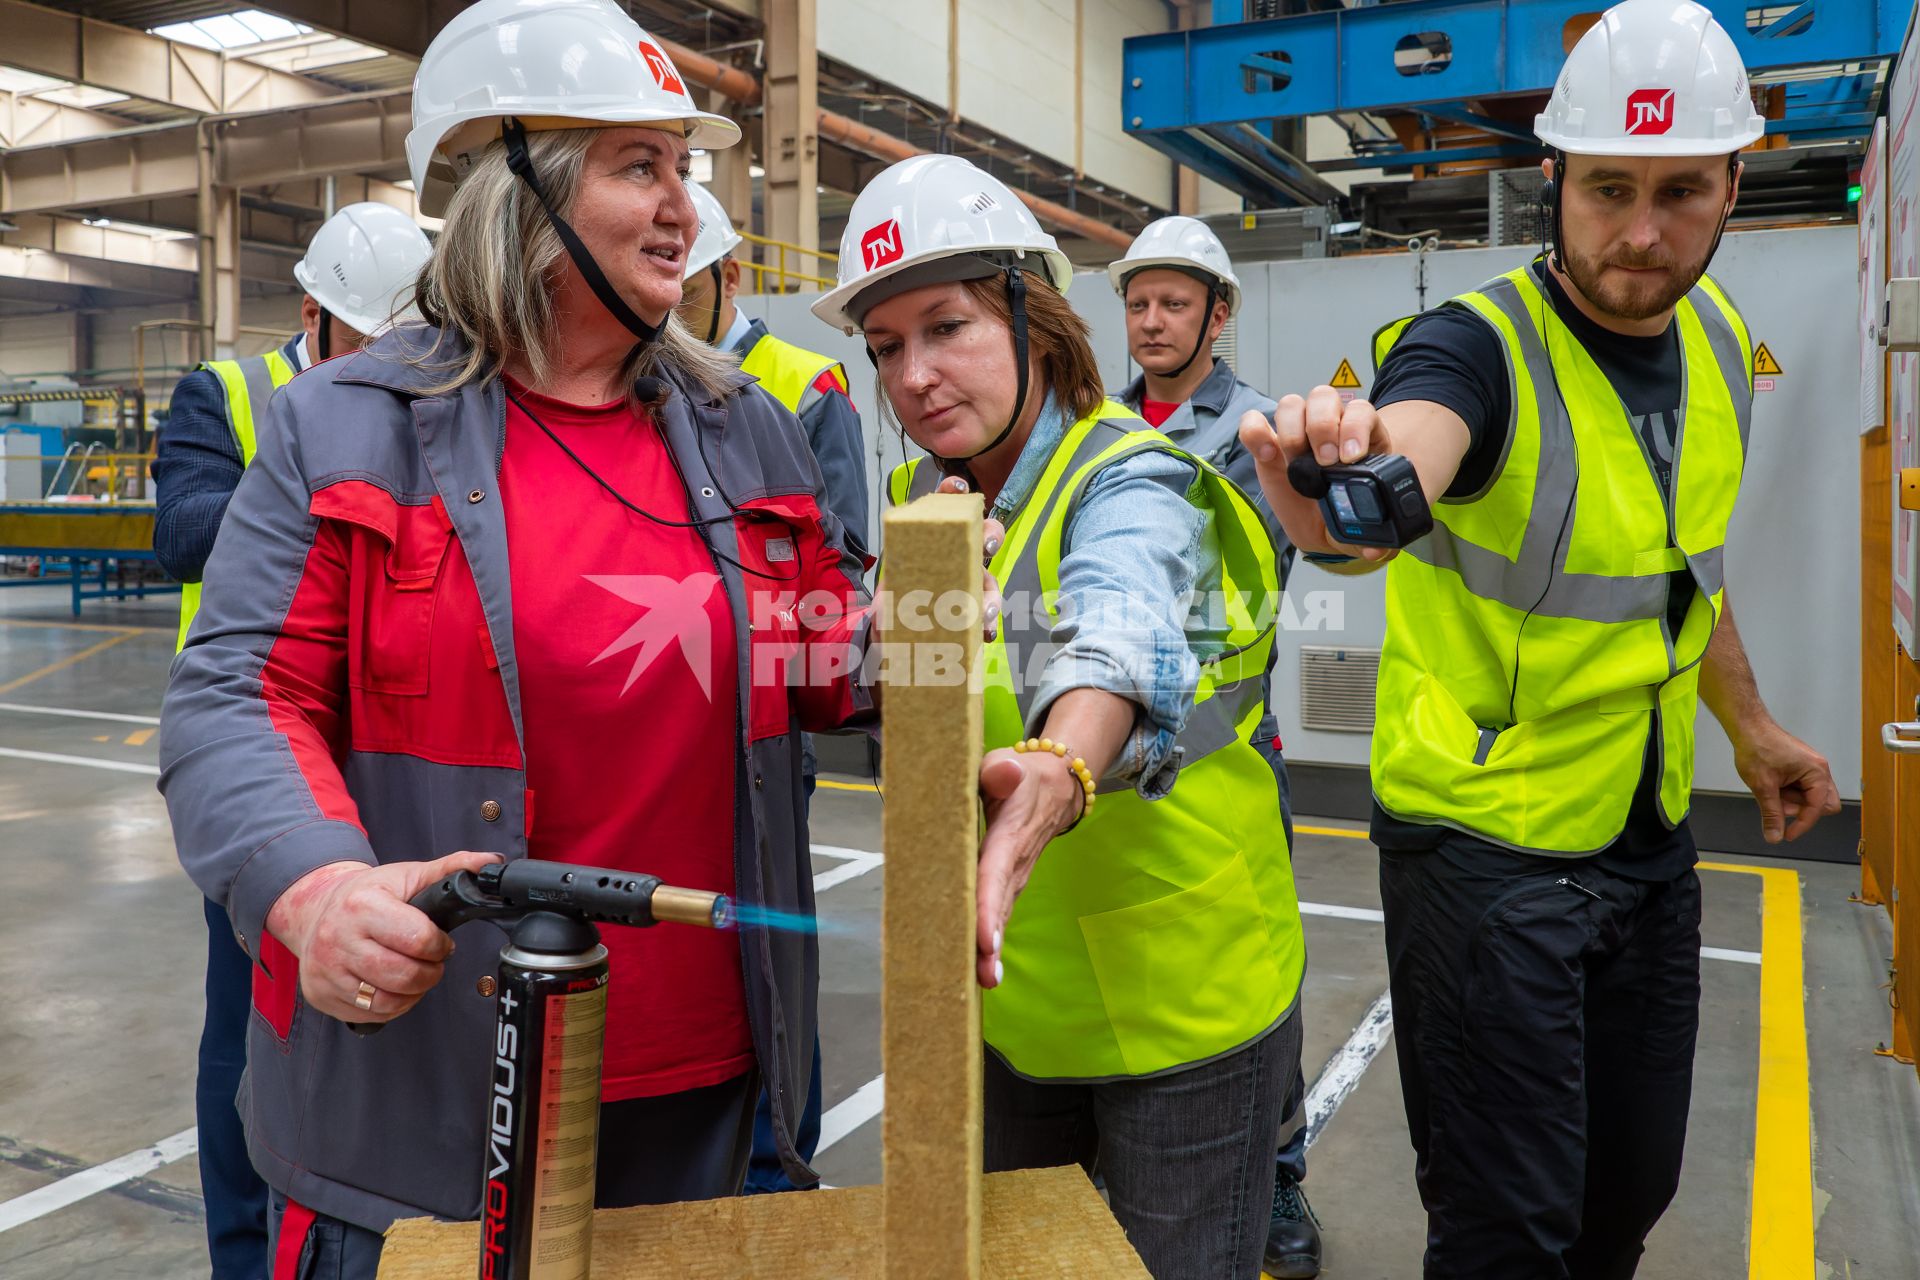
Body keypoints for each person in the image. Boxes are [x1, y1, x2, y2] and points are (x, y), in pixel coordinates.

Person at [157, 3, 895, 1273]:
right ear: (514, 190)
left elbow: (827, 663)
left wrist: (976, 654)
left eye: (685, 167)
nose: (684, 207)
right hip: (431, 1080)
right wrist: (312, 886)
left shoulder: (745, 428)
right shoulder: (339, 429)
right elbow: (236, 692)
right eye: (639, 167)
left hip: (707, 1087)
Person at [1237, 2, 1842, 1275]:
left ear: (1737, 180)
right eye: (1608, 187)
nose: (1639, 232)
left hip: (1643, 840)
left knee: (1628, 1195)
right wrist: (1346, 491)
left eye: (1682, 192)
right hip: (1486, 859)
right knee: (1509, 1232)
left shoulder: (1722, 345)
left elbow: (1684, 570)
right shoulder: (1476, 347)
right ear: (1552, 176)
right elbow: (1405, 454)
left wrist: (1754, 725)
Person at [815, 153, 1308, 1279]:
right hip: (1007, 1000)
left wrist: (1059, 767)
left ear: (1034, 318)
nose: (917, 375)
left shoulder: (1132, 474)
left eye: (947, 327)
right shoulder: (916, 506)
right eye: (887, 345)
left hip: (1180, 996)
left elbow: (1121, 626)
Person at [151, 197, 430, 1280]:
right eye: (363, 340)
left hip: (386, 745)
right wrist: (315, 487)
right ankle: (242, 1255)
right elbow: (179, 531)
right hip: (261, 753)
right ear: (313, 311)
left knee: (385, 1009)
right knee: (248, 1035)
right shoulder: (228, 394)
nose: (382, 364)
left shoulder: (420, 385)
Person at [1108, 216, 1320, 1279]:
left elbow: (1251, 574)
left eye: (1174, 302)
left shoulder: (1256, 430)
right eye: (1139, 302)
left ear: (1217, 313)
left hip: (1226, 749)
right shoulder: (1092, 424)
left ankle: (1280, 1163)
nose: (1151, 320)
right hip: (1116, 751)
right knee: (1138, 960)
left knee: (1256, 976)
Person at [676, 179, 866, 1196]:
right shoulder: (638, 377)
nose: (664, 309)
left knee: (769, 957)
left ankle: (778, 1161)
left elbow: (840, 567)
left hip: (759, 729)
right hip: (665, 727)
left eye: (684, 287)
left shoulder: (803, 383)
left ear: (729, 277)